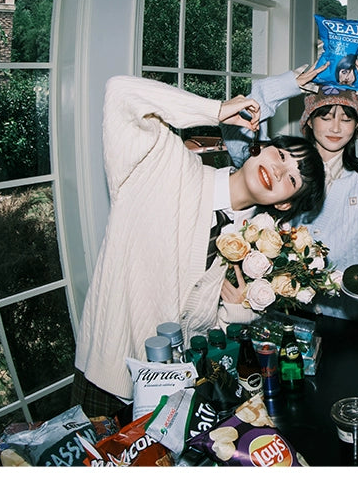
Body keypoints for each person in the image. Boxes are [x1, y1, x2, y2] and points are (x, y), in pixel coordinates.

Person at [72, 75, 324, 415]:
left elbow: (202, 333)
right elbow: (120, 92)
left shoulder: (254, 254)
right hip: (107, 378)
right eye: (280, 154)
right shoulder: (166, 165)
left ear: (284, 203)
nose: (278, 171)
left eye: (292, 178)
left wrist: (237, 311)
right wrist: (216, 110)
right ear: (261, 147)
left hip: (174, 399)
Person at [239, 60, 358, 320]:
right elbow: (241, 134)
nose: (335, 127)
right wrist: (289, 84)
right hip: (291, 312)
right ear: (309, 121)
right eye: (325, 116)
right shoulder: (284, 173)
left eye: (346, 118)